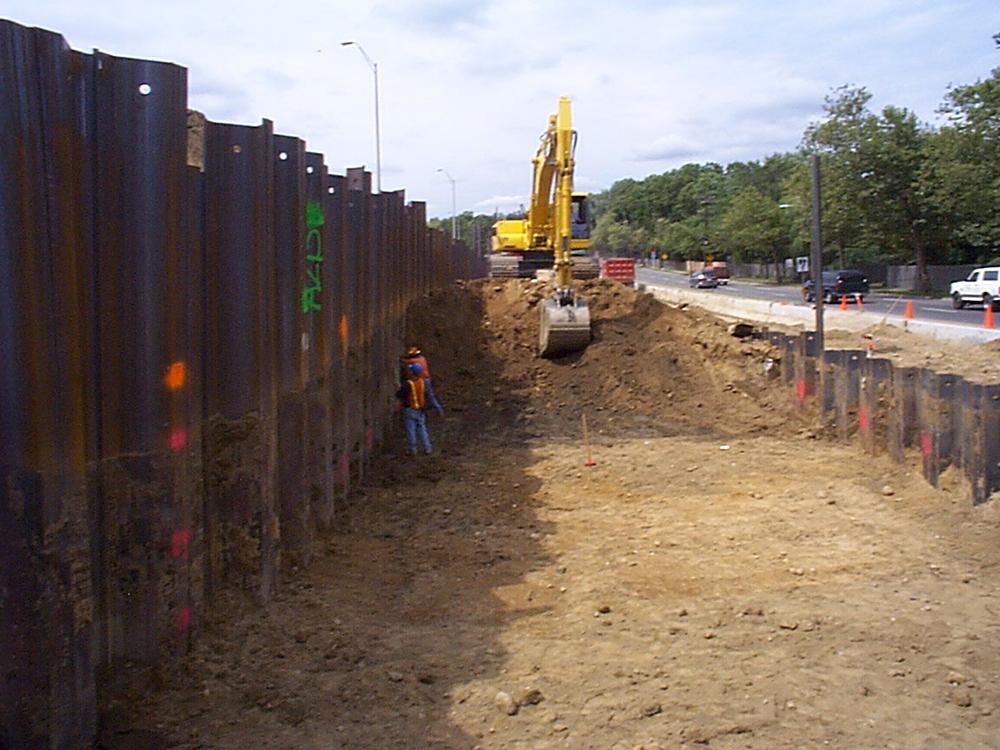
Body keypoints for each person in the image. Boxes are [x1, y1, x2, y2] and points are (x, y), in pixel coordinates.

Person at [398, 363, 437, 455]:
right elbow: (426, 395)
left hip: (410, 409)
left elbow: (400, 394)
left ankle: (412, 450)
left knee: (410, 429)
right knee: (422, 429)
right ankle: (427, 448)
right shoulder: (422, 382)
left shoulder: (408, 384)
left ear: (412, 373)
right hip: (421, 409)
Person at [400, 345, 443, 415]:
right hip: (427, 379)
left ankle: (433, 410)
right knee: (429, 396)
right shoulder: (422, 358)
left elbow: (405, 361)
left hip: (422, 381)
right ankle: (438, 410)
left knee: (421, 396)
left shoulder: (412, 361)